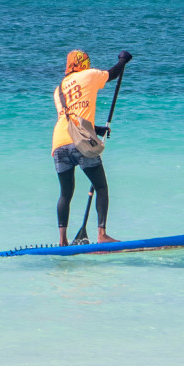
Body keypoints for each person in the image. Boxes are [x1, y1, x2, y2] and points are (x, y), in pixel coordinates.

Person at [53, 48, 133, 246]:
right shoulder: (89, 75)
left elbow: (70, 118)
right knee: (101, 187)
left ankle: (62, 240)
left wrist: (96, 129)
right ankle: (102, 235)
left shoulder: (59, 89)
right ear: (83, 63)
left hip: (59, 143)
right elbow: (112, 74)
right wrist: (123, 61)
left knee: (65, 193)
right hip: (80, 143)